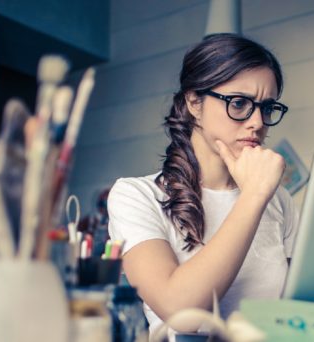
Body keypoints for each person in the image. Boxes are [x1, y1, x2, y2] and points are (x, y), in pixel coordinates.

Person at [107, 33, 299, 336]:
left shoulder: (280, 201)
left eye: (266, 107)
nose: (258, 123)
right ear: (194, 102)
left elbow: (295, 312)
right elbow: (182, 315)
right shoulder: (136, 196)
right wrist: (254, 196)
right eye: (238, 103)